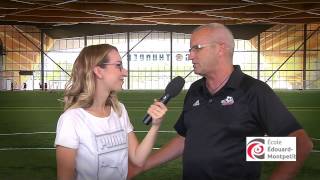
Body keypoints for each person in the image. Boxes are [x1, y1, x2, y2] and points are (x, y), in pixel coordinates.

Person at [129, 23, 313, 180]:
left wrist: (248, 150)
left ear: (220, 48)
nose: (191, 55)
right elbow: (185, 139)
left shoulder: (253, 91)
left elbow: (301, 144)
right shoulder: (195, 91)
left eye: (196, 48)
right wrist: (142, 166)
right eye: (190, 50)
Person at [54, 44, 168, 180]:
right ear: (98, 71)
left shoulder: (119, 110)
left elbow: (138, 159)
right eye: (118, 65)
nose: (125, 72)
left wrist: (155, 125)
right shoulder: (71, 120)